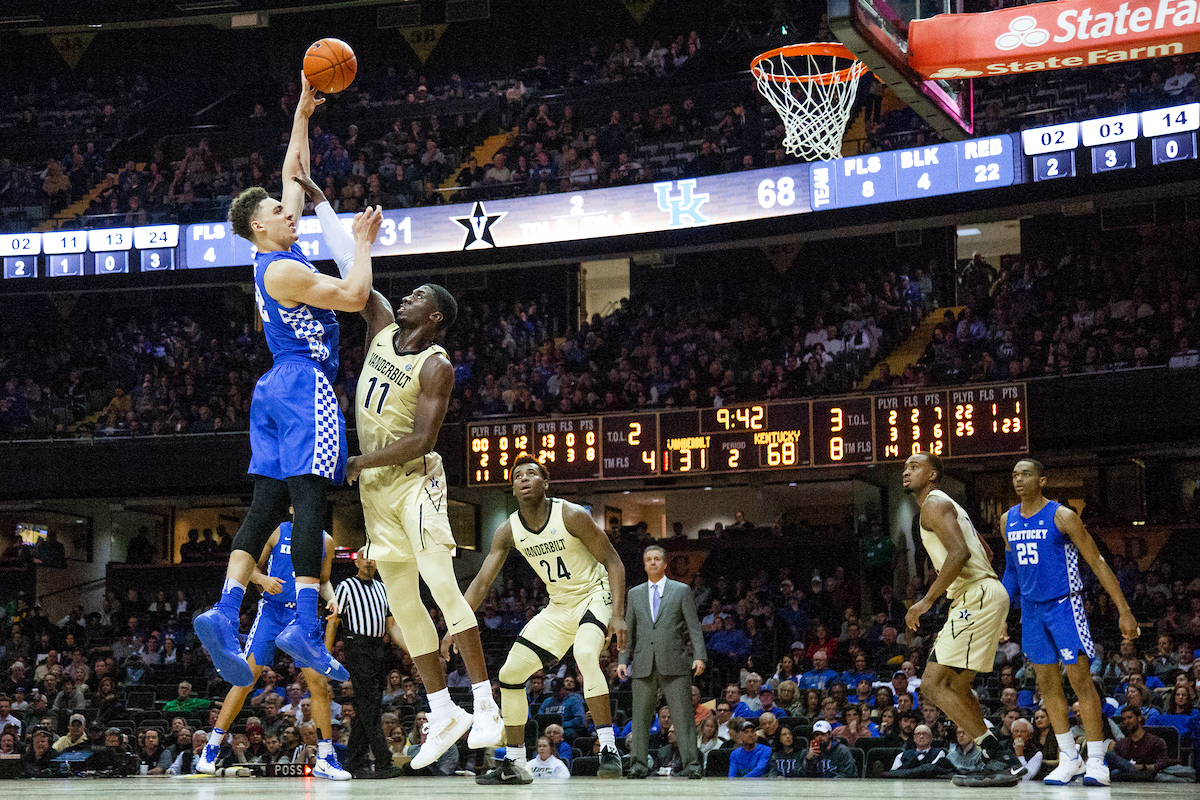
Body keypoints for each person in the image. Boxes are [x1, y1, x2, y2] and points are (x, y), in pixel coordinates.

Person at [194, 71, 382, 688]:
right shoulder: (284, 272)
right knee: (311, 499)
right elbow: (355, 297)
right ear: (259, 227)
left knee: (267, 503)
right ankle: (303, 622)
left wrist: (302, 114)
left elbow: (291, 175)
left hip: (274, 388)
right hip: (305, 385)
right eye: (278, 212)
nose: (287, 211)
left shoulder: (274, 254)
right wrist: (362, 243)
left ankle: (225, 611)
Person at [344, 280, 502, 770]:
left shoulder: (436, 365)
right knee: (403, 604)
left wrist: (362, 460)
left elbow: (422, 439)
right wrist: (339, 228)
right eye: (409, 294)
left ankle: (485, 705)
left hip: (416, 481)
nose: (407, 297)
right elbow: (357, 280)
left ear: (436, 316)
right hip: (376, 490)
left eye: (419, 296)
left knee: (440, 583)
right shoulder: (380, 328)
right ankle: (443, 711)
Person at [462, 455, 627, 784]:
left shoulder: (571, 514)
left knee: (584, 653)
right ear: (513, 489)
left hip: (594, 594)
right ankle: (515, 762)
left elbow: (614, 561)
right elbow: (481, 583)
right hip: (560, 606)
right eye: (518, 476)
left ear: (546, 483)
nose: (524, 479)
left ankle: (609, 748)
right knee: (509, 674)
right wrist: (456, 624)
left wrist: (619, 615)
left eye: (531, 473)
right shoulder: (508, 530)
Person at [1003, 458, 1139, 786]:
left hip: (1065, 605)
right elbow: (1011, 571)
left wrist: (1124, 610)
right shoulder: (1008, 519)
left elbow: (1098, 562)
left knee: (1081, 681)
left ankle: (1096, 760)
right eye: (1015, 475)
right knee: (1047, 685)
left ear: (1042, 480)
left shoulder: (1062, 516)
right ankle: (1069, 757)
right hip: (1031, 611)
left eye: (1026, 474)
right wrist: (1001, 615)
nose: (1019, 479)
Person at [900, 452, 1024, 788]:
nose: (906, 471)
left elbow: (960, 553)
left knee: (931, 684)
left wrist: (926, 601)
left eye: (915, 466)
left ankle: (999, 755)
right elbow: (986, 551)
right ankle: (998, 759)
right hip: (982, 594)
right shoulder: (948, 505)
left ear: (933, 475)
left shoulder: (933, 505)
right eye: (905, 467)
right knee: (954, 686)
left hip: (976, 595)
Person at [196, 520, 350, 780]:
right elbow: (248, 567)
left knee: (319, 684)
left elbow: (323, 581)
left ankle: (325, 758)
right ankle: (211, 748)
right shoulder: (277, 531)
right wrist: (263, 579)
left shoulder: (326, 540)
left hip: (303, 615)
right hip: (271, 612)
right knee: (245, 678)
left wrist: (332, 597)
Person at [619, 544, 707, 779]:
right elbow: (629, 630)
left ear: (665, 563)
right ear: (644, 565)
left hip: (675, 661)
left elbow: (694, 627)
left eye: (657, 559)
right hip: (643, 662)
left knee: (683, 717)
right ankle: (638, 765)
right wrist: (622, 659)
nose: (653, 562)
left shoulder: (681, 590)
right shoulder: (634, 593)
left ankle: (692, 765)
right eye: (648, 559)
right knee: (640, 718)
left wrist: (699, 656)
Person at [328, 547, 406, 778]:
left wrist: (409, 649)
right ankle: (383, 762)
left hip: (379, 648)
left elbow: (391, 625)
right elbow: (334, 621)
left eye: (373, 558)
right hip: (358, 646)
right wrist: (325, 652)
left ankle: (353, 762)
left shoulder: (383, 588)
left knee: (367, 705)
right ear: (356, 562)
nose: (369, 561)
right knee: (370, 705)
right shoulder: (346, 586)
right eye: (364, 558)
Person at [1106, 705, 1168, 781]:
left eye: (1129, 718)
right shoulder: (1122, 743)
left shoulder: (1155, 741)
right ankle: (1131, 768)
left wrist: (1143, 767)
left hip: (1146, 774)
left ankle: (1131, 768)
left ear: (1139, 718)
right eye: (1124, 719)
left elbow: (1162, 764)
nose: (1126, 722)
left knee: (1115, 773)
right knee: (1110, 757)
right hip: (1127, 774)